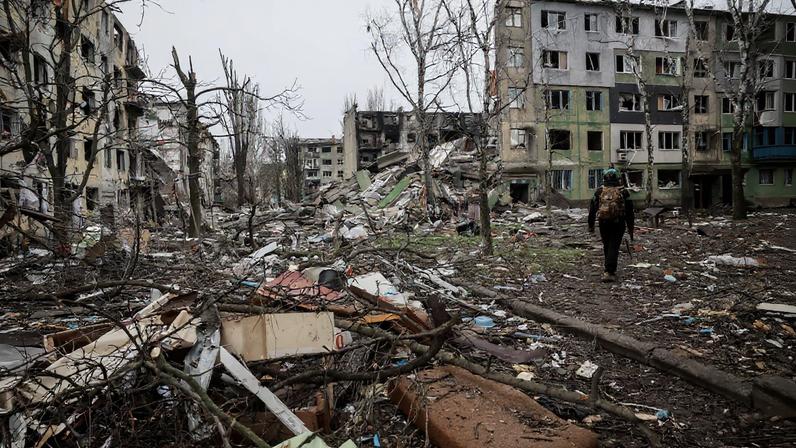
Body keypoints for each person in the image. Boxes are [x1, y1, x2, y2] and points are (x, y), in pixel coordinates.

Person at [588, 168, 635, 282]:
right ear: (618, 178)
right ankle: (610, 271)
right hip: (619, 222)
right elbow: (630, 212)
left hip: (603, 222)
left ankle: (608, 269)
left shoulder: (599, 191)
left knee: (607, 245)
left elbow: (592, 209)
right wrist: (630, 229)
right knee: (614, 245)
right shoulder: (624, 192)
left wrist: (591, 225)